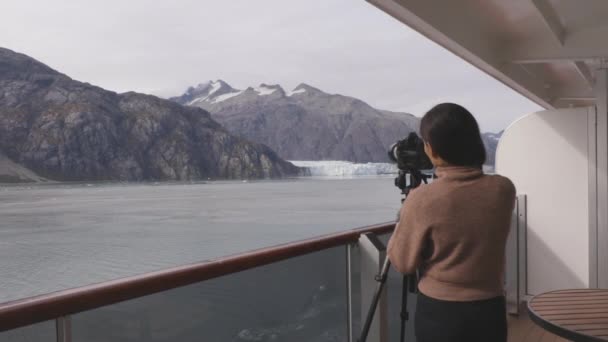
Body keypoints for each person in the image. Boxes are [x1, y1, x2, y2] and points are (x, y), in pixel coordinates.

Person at [387, 103, 516, 342]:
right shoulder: (503, 189)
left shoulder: (422, 199)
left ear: (433, 150)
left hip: (440, 314)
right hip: (490, 310)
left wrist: (406, 213)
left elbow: (403, 262)